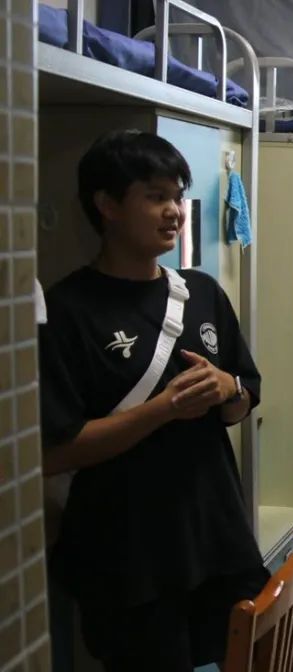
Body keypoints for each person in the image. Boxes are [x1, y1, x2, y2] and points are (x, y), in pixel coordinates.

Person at [39, 130, 267, 671]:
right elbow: (57, 451)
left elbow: (244, 399)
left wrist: (228, 389)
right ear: (107, 205)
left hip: (216, 538)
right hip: (128, 556)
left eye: (178, 196)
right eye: (155, 196)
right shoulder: (66, 310)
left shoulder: (202, 292)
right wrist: (163, 409)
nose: (174, 211)